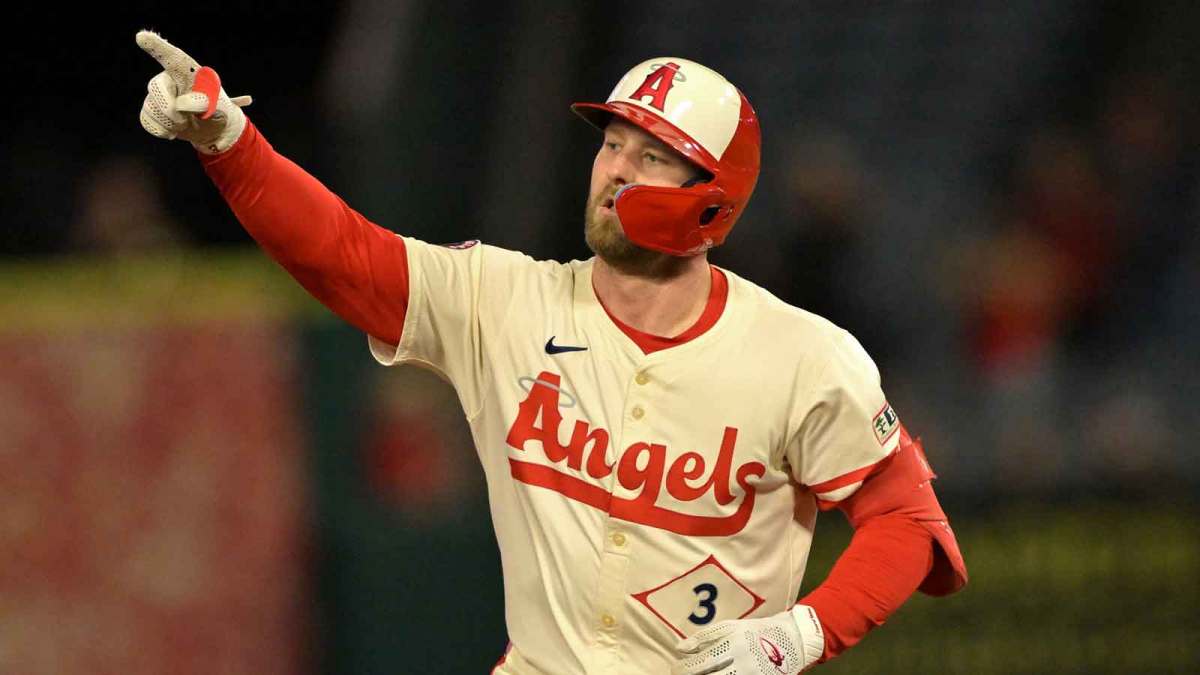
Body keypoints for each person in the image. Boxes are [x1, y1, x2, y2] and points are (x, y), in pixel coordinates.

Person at [136, 30, 967, 674]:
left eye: (652, 157)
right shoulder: (506, 300)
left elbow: (908, 521)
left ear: (712, 203)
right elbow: (343, 253)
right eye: (612, 145)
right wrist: (229, 142)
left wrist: (803, 632)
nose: (615, 170)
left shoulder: (801, 355)